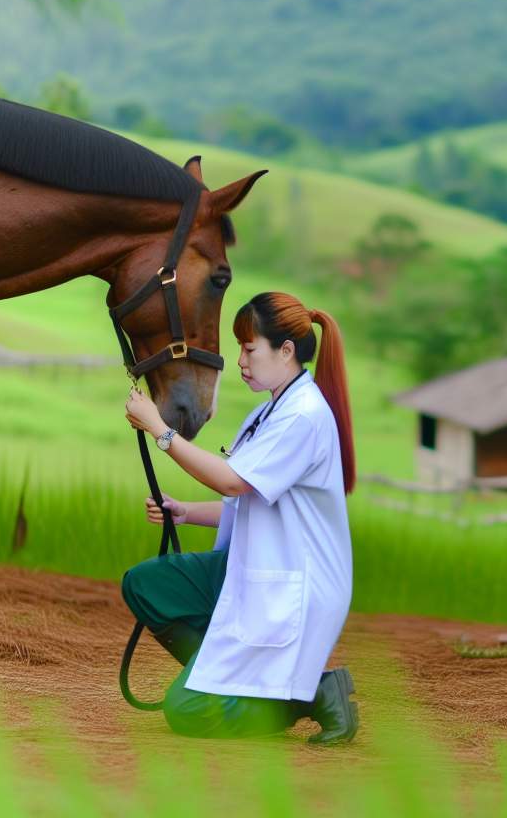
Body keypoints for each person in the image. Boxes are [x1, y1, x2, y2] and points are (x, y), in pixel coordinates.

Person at [120, 291, 358, 742]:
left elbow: (233, 482)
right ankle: (232, 679)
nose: (241, 361)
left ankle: (301, 696)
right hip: (250, 570)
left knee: (188, 713)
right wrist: (184, 511)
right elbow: (245, 501)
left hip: (291, 585)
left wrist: (160, 431)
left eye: (250, 348)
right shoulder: (269, 410)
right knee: (147, 584)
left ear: (285, 351)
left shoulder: (302, 417)